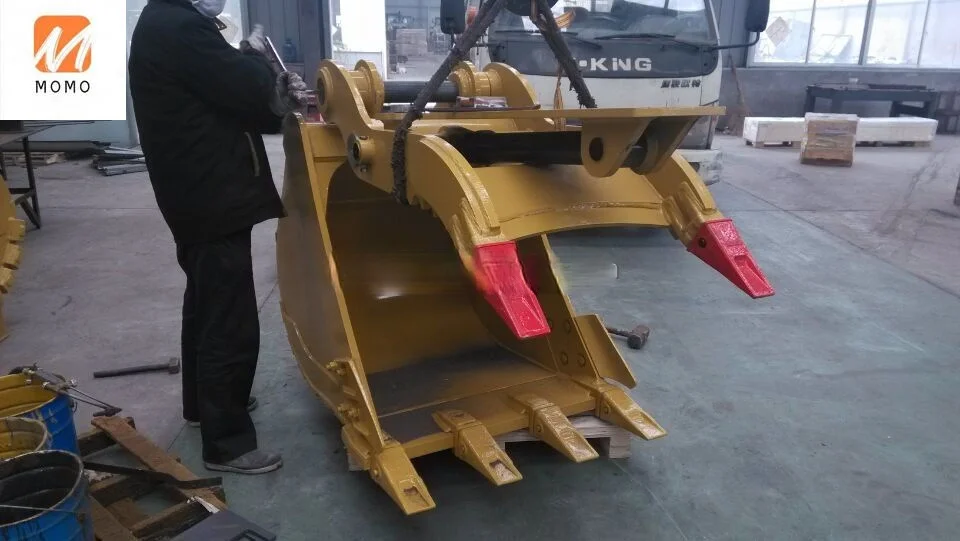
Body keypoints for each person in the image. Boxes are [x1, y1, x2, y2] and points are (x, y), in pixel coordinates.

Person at [128, 0, 308, 475]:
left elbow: (231, 95)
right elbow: (246, 91)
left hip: (195, 193)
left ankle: (202, 407)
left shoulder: (165, 23)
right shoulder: (181, 28)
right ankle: (227, 444)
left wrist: (257, 74)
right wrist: (255, 60)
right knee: (229, 319)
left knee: (205, 304)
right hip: (210, 196)